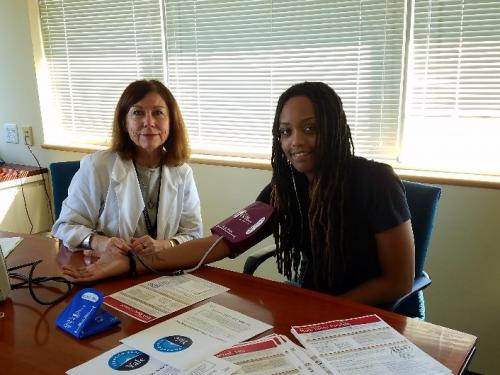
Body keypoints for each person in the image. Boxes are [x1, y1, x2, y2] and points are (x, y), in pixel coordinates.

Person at [62, 82, 414, 307]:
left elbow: (398, 280)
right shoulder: (286, 187)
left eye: (311, 128)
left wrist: (325, 310)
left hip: (369, 313)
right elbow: (222, 242)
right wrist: (131, 263)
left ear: (336, 128)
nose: (296, 142)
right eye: (285, 132)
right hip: (313, 302)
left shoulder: (375, 180)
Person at [53, 79, 203, 256]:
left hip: (162, 271)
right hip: (109, 270)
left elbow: (193, 234)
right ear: (125, 122)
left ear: (171, 122)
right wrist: (100, 243)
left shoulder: (182, 172)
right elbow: (65, 226)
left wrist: (167, 244)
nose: (149, 122)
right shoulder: (98, 166)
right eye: (138, 113)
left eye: (158, 113)